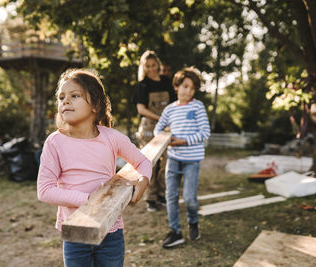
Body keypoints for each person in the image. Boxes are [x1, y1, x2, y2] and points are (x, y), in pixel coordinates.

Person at [37, 68, 152, 267]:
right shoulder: (54, 142)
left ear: (95, 105)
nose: (65, 101)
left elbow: (143, 162)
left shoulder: (111, 137)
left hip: (111, 232)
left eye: (75, 95)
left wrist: (144, 180)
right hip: (75, 234)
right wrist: (88, 200)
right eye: (61, 97)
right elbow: (45, 191)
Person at [154, 67, 210, 248]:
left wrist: (183, 141)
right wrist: (164, 139)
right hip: (174, 159)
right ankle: (175, 232)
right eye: (185, 86)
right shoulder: (170, 109)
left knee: (189, 198)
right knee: (171, 197)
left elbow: (204, 133)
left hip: (192, 160)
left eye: (192, 88)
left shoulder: (197, 106)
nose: (188, 91)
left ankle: (193, 221)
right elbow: (158, 128)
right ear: (177, 86)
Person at [134, 50, 176, 212]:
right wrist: (161, 118)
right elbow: (141, 109)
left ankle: (162, 195)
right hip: (149, 129)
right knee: (150, 163)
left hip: (166, 128)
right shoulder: (142, 85)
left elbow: (174, 104)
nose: (151, 69)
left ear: (158, 65)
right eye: (148, 66)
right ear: (144, 67)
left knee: (165, 162)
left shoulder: (166, 82)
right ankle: (150, 198)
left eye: (154, 65)